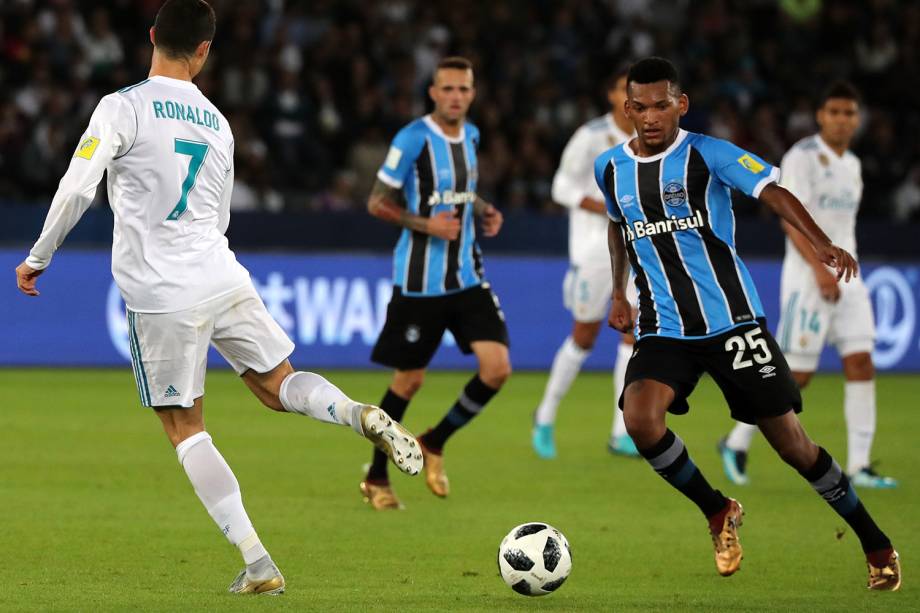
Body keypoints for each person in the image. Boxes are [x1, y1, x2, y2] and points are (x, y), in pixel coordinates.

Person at [14, 0, 422, 595]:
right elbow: (217, 216)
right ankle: (355, 413)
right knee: (278, 385)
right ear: (204, 51)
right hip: (222, 274)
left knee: (185, 427)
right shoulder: (218, 123)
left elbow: (79, 185)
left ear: (153, 37)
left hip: (161, 292)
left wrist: (39, 255)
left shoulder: (122, 106)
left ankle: (258, 565)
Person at [598, 57, 900, 590]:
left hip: (733, 325)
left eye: (661, 105)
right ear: (626, 109)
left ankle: (875, 543)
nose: (650, 117)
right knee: (641, 421)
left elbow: (773, 193)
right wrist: (618, 291)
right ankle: (717, 511)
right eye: (639, 107)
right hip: (665, 328)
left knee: (793, 446)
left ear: (680, 105)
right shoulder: (611, 168)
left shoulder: (707, 153)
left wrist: (820, 242)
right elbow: (618, 227)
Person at [719, 82, 898, 489]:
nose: (841, 120)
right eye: (833, 112)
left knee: (861, 363)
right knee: (796, 375)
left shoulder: (851, 163)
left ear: (858, 118)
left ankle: (860, 465)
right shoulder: (802, 157)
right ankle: (736, 441)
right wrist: (819, 270)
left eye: (849, 113)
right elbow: (788, 217)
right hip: (808, 279)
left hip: (850, 278)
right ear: (820, 116)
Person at [363, 56, 510, 510]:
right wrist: (426, 225)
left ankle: (436, 440)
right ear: (433, 92)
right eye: (447, 89)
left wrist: (483, 208)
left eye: (463, 89)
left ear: (472, 92)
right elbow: (376, 202)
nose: (456, 97)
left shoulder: (472, 135)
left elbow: (462, 191)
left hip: (467, 276)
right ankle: (376, 475)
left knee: (497, 368)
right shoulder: (412, 139)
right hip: (419, 283)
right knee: (409, 382)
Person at [532, 66, 640, 460]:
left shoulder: (651, 138)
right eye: (621, 89)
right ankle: (544, 415)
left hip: (637, 250)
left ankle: (621, 431)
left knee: (632, 333)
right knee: (584, 336)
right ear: (612, 95)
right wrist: (604, 205)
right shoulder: (591, 136)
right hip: (594, 251)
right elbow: (560, 186)